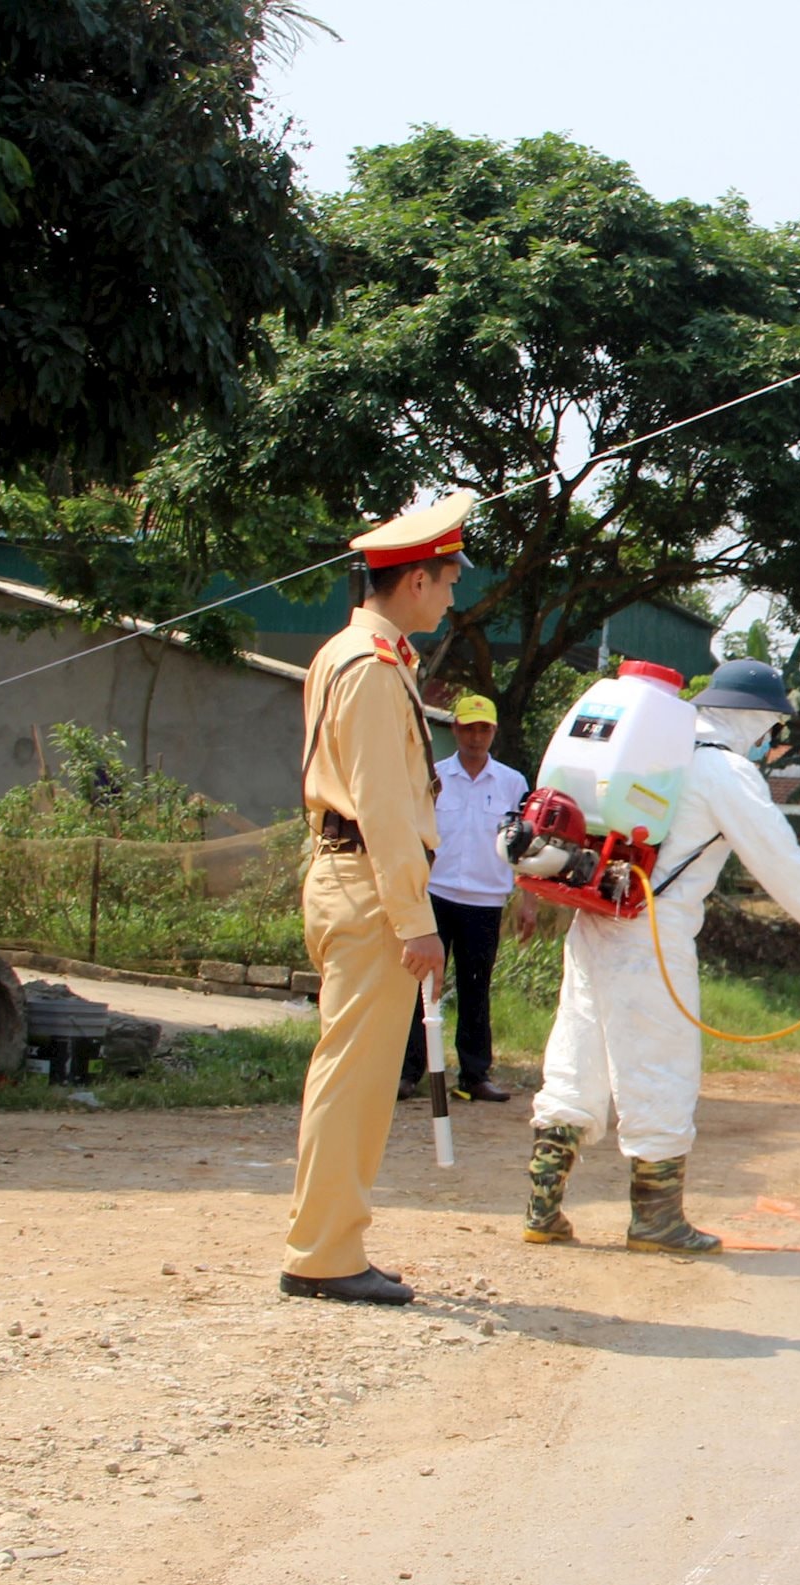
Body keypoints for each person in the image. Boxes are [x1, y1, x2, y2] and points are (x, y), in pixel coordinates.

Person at [521, 659, 800, 1254]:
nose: (771, 744)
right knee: (660, 1070)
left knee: (574, 1061)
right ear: (757, 721)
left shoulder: (655, 750)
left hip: (595, 919)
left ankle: (542, 1208)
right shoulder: (724, 771)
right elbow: (780, 859)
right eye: (771, 730)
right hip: (651, 938)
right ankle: (656, 1221)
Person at [280, 491, 471, 1307]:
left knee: (353, 1076)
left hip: (352, 879)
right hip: (367, 885)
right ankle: (322, 1253)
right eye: (450, 577)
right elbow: (385, 808)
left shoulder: (356, 655)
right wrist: (417, 922)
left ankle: (331, 1243)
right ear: (417, 582)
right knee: (353, 1079)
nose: (455, 593)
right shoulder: (368, 667)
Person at [399, 693, 528, 1104]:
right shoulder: (433, 777)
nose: (476, 737)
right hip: (435, 895)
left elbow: (524, 847)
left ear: (494, 731)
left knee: (476, 988)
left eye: (483, 729)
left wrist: (529, 901)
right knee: (422, 986)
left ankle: (474, 1076)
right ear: (454, 729)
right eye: (468, 728)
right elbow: (414, 837)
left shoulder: (513, 784)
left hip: (485, 901)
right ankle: (408, 1073)